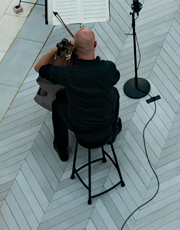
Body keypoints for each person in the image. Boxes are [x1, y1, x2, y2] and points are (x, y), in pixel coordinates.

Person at [34, 28, 120, 161]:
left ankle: (62, 149)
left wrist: (56, 49)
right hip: (105, 120)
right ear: (95, 44)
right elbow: (114, 78)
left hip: (78, 125)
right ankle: (111, 134)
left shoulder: (67, 74)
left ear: (75, 47)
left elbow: (38, 67)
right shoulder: (108, 68)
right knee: (113, 92)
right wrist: (100, 62)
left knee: (57, 103)